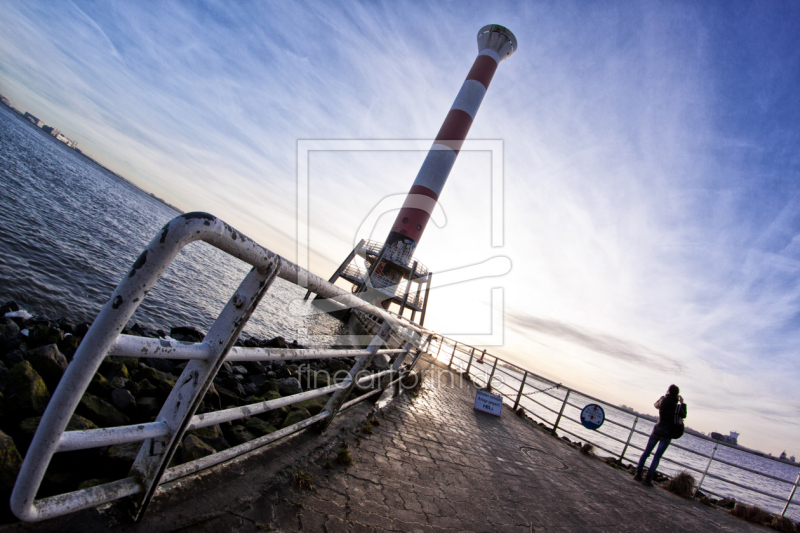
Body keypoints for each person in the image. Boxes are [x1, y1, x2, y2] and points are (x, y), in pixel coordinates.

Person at [634, 384, 686, 486]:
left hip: (657, 430)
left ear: (668, 391)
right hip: (667, 435)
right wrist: (682, 403)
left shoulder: (663, 400)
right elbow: (684, 415)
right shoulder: (677, 407)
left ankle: (638, 474)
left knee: (646, 452)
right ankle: (648, 478)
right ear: (677, 394)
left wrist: (664, 396)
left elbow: (655, 404)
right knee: (657, 457)